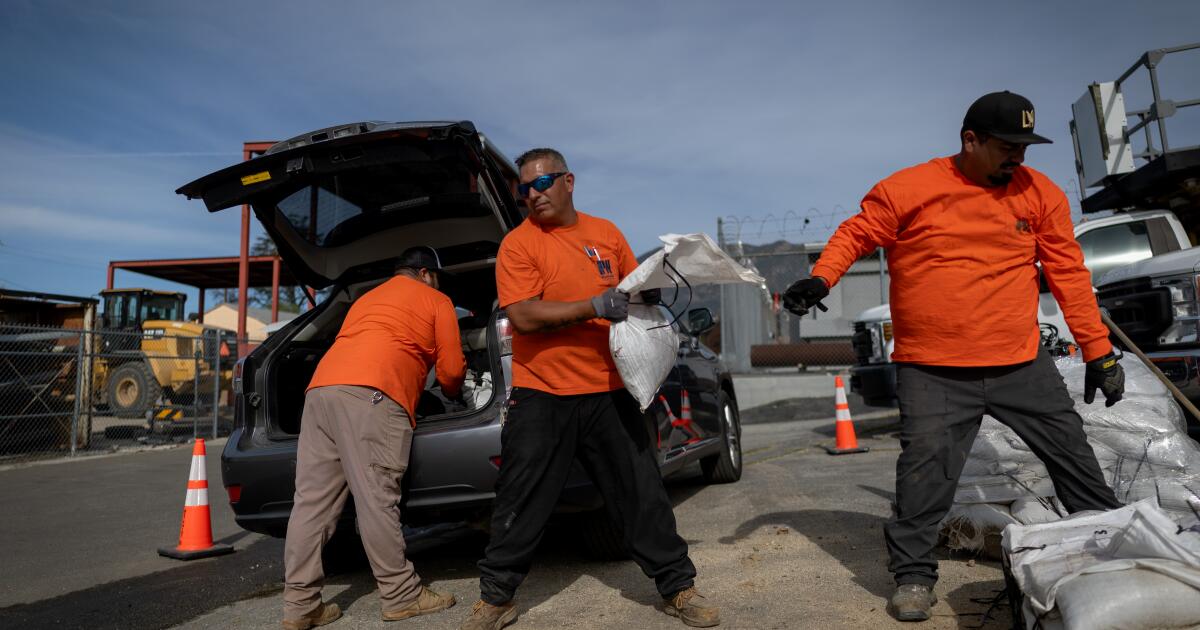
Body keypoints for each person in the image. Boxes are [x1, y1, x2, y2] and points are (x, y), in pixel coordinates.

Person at [784, 91, 1125, 622]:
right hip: (933, 369)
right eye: (1008, 146)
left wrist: (1099, 352)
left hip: (1019, 363)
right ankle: (914, 578)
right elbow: (858, 233)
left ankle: (1115, 549)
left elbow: (1068, 277)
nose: (1019, 157)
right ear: (971, 140)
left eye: (1026, 147)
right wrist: (822, 275)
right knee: (924, 477)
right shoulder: (909, 188)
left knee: (1074, 458)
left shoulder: (1041, 194)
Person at [458, 148, 719, 630]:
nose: (533, 195)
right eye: (524, 188)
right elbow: (524, 316)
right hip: (543, 392)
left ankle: (679, 588)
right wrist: (593, 304)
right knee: (520, 498)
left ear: (569, 181)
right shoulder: (519, 245)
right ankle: (496, 599)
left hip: (608, 390)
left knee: (642, 493)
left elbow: (629, 291)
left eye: (543, 183)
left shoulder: (606, 233)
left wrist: (646, 292)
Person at [282, 246, 466, 630]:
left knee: (311, 504)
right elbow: (451, 370)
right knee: (376, 499)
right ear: (427, 274)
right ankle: (401, 596)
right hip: (372, 394)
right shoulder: (436, 298)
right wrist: (452, 394)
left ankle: (300, 606)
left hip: (319, 392)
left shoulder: (366, 300)